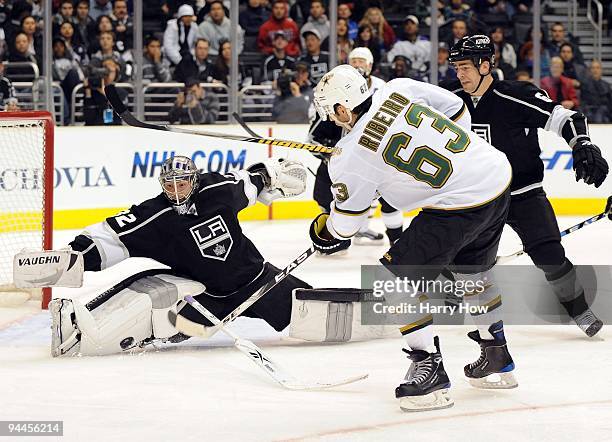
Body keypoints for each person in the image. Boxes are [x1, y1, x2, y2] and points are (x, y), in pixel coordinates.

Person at [310, 64, 516, 411]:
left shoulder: (351, 156)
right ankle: (496, 353)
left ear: (343, 108)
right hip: (495, 176)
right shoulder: (399, 87)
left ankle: (429, 366)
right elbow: (456, 108)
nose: (332, 120)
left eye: (332, 112)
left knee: (393, 282)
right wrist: (455, 159)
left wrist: (321, 229)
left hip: (459, 204)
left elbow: (345, 227)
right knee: (472, 274)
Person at [49, 155, 310, 357]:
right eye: (169, 184)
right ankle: (83, 332)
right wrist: (72, 256)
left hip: (259, 283)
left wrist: (274, 174)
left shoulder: (219, 189)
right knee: (168, 327)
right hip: (205, 298)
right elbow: (109, 237)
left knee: (312, 313)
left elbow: (253, 180)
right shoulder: (154, 216)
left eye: (181, 183)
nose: (175, 190)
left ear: (194, 180)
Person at [447, 35, 608, 337]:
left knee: (550, 257)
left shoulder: (516, 95)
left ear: (485, 65)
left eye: (465, 67)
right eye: (456, 68)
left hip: (524, 194)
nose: (460, 74)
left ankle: (580, 311)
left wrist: (581, 143)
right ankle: (460, 309)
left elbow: (565, 118)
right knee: (456, 256)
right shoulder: (451, 101)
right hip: (478, 198)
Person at [83, 57, 126, 126]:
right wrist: (88, 92)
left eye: (110, 71)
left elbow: (119, 119)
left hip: (114, 130)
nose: (107, 74)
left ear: (116, 73)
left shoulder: (121, 92)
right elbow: (88, 119)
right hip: (95, 129)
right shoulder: (93, 92)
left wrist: (107, 96)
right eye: (105, 70)